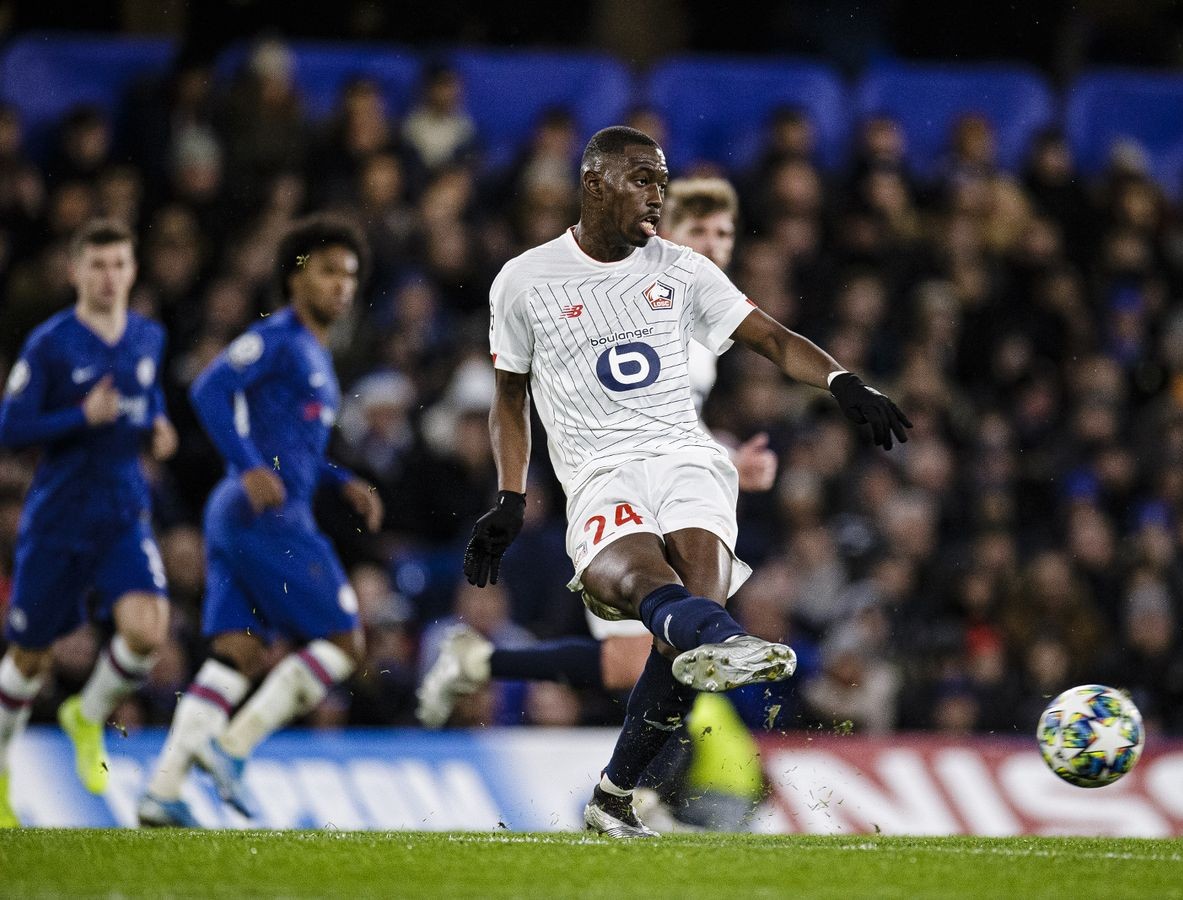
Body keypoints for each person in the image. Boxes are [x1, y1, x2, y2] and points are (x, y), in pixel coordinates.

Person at [458, 126, 910, 839]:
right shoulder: (523, 280)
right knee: (646, 590)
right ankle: (720, 647)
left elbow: (771, 337)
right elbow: (508, 398)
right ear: (595, 181)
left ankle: (614, 796)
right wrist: (511, 496)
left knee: (685, 639)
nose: (657, 196)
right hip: (600, 473)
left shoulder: (683, 270)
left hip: (687, 463)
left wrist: (841, 380)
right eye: (642, 180)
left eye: (662, 183)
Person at [416, 177, 776, 724]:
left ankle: (479, 662)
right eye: (698, 230)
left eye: (723, 234)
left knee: (636, 659)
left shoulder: (697, 318)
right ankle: (634, 790)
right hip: (616, 491)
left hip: (659, 489)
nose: (713, 244)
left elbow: (678, 425)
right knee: (669, 649)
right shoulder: (647, 304)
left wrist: (726, 455)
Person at [137, 216, 383, 827]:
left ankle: (161, 793)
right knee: (345, 642)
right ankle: (232, 748)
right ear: (296, 277)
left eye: (350, 275)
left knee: (237, 655)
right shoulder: (279, 338)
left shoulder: (316, 355)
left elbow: (292, 446)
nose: (342, 286)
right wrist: (245, 463)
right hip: (266, 515)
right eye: (329, 271)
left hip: (246, 512)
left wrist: (339, 479)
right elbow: (208, 389)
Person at [0, 219, 177, 827]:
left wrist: (158, 426)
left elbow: (146, 401)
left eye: (119, 264)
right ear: (75, 271)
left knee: (148, 629)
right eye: (97, 265)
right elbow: (11, 429)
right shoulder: (50, 343)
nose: (109, 277)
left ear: (133, 270)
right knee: (30, 658)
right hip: (59, 516)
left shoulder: (149, 337)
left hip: (123, 510)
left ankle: (87, 715)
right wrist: (81, 415)